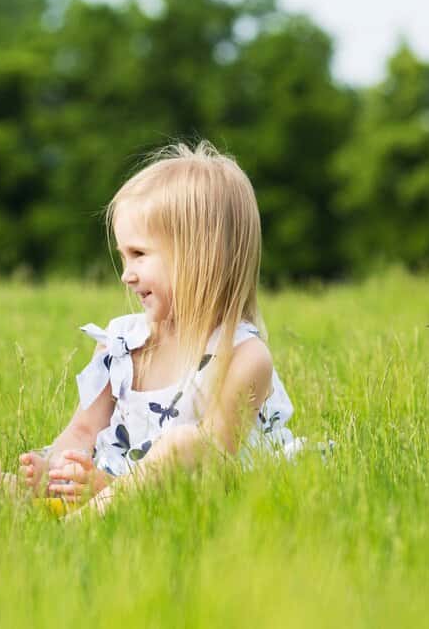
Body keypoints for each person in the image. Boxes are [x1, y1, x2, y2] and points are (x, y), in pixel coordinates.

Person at [18, 141, 301, 513]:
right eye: (123, 256)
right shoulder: (119, 344)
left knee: (182, 444)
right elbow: (84, 429)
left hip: (203, 495)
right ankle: (78, 507)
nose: (126, 275)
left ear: (198, 254)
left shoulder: (243, 357)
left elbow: (213, 464)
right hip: (117, 486)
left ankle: (94, 517)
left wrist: (111, 489)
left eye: (138, 254)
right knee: (12, 484)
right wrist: (60, 468)